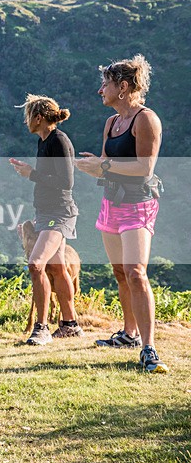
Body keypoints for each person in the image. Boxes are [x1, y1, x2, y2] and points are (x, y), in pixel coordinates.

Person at [75, 54, 168, 373]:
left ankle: (149, 348)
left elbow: (144, 168)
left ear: (123, 86)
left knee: (136, 272)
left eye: (105, 84)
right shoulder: (111, 123)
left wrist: (102, 166)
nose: (101, 90)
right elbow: (107, 166)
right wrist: (90, 166)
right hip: (111, 203)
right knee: (120, 272)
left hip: (138, 204)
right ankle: (129, 334)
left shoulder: (146, 119)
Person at [10, 95, 83, 345]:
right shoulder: (44, 141)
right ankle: (70, 325)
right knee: (57, 268)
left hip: (58, 214)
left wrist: (31, 174)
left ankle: (41, 328)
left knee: (36, 264)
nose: (26, 122)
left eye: (28, 116)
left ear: (39, 117)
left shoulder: (58, 141)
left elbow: (66, 182)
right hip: (45, 213)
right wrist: (30, 173)